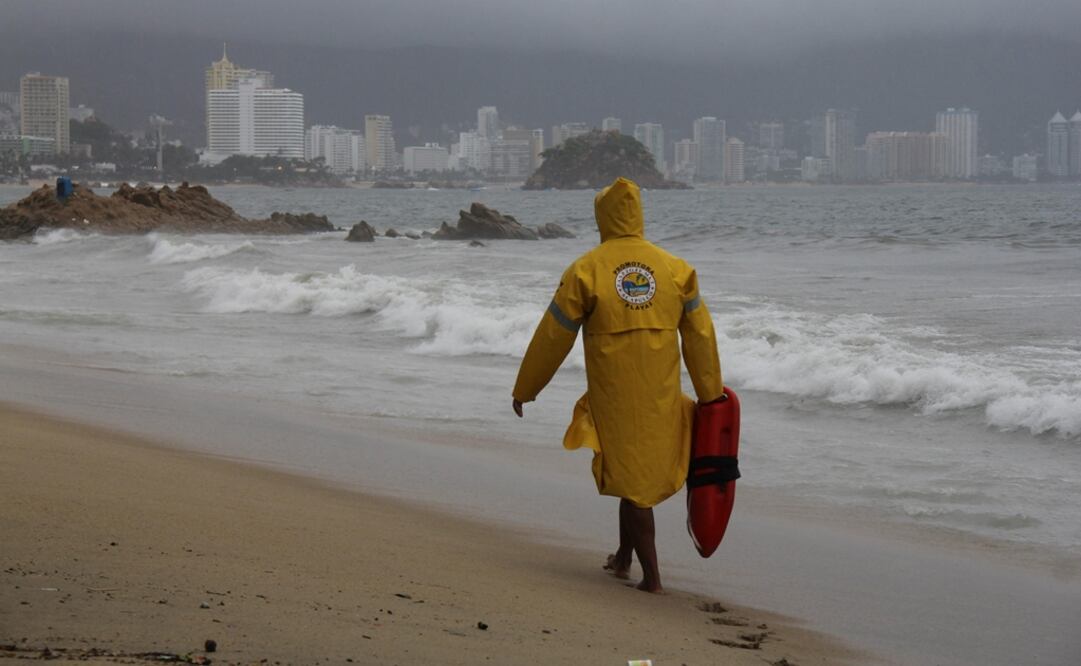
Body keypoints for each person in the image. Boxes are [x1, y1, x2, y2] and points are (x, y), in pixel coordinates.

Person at [512, 177, 724, 593]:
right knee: (634, 476)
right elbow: (700, 336)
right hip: (662, 393)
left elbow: (553, 336)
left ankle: (653, 580)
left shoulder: (586, 270)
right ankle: (624, 557)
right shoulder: (677, 269)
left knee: (635, 482)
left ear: (602, 217)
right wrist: (710, 394)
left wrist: (526, 388)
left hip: (615, 395)